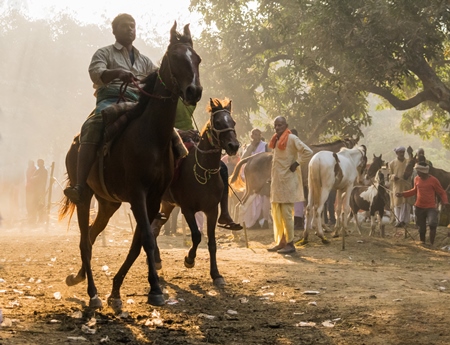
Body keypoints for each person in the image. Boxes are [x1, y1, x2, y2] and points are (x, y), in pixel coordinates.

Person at [64, 13, 157, 204]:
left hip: (138, 103)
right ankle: (80, 185)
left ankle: (166, 188)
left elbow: (158, 80)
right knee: (92, 125)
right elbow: (96, 74)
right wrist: (117, 73)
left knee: (168, 132)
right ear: (114, 31)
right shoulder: (104, 53)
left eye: (132, 25)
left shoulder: (145, 61)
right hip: (111, 99)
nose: (130, 29)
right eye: (124, 26)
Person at [267, 117, 313, 254]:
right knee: (277, 214)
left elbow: (308, 152)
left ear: (286, 125)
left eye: (280, 125)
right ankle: (281, 242)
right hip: (277, 182)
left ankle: (290, 244)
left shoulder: (292, 138)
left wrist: (297, 163)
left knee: (287, 214)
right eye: (275, 125)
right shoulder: (275, 139)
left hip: (288, 182)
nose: (277, 127)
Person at [396, 162, 449, 246]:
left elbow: (442, 192)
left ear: (423, 171)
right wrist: (403, 194)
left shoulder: (433, 180)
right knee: (422, 228)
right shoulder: (416, 179)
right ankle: (423, 243)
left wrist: (445, 202)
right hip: (419, 207)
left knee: (432, 224)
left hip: (431, 207)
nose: (417, 173)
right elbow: (414, 190)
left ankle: (432, 244)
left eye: (418, 171)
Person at [240, 128, 271, 229]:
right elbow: (243, 159)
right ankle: (252, 222)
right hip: (251, 176)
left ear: (260, 135)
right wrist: (250, 148)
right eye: (254, 135)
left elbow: (270, 158)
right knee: (251, 198)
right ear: (251, 136)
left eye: (258, 135)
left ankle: (265, 220)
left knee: (265, 199)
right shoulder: (249, 147)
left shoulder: (265, 146)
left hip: (264, 176)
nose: (256, 137)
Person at [389, 146, 412, 227]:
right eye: (400, 152)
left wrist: (410, 154)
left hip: (407, 185)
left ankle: (405, 221)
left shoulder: (408, 161)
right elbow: (389, 175)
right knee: (397, 203)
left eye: (403, 152)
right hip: (397, 186)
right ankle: (398, 220)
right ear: (397, 153)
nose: (402, 154)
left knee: (406, 203)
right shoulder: (392, 163)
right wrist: (393, 177)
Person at [30, 159, 48, 224]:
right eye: (38, 163)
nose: (38, 164)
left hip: (41, 190)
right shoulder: (37, 171)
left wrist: (36, 178)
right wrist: (35, 178)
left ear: (42, 163)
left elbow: (41, 178)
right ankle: (35, 218)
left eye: (39, 163)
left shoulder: (44, 171)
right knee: (35, 204)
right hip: (36, 190)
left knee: (41, 204)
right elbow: (32, 178)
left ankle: (41, 219)